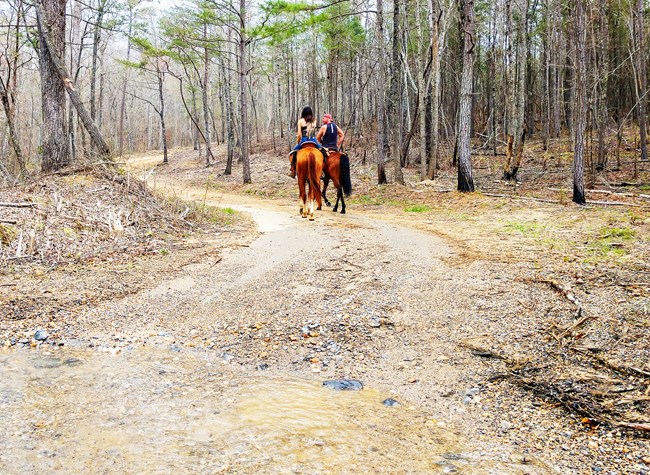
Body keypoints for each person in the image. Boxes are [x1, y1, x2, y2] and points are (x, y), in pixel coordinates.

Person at [288, 106, 325, 178]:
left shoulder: (300, 121)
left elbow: (299, 134)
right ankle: (322, 170)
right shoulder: (314, 120)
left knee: (292, 153)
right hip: (313, 140)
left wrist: (298, 142)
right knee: (323, 152)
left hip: (304, 140)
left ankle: (293, 171)